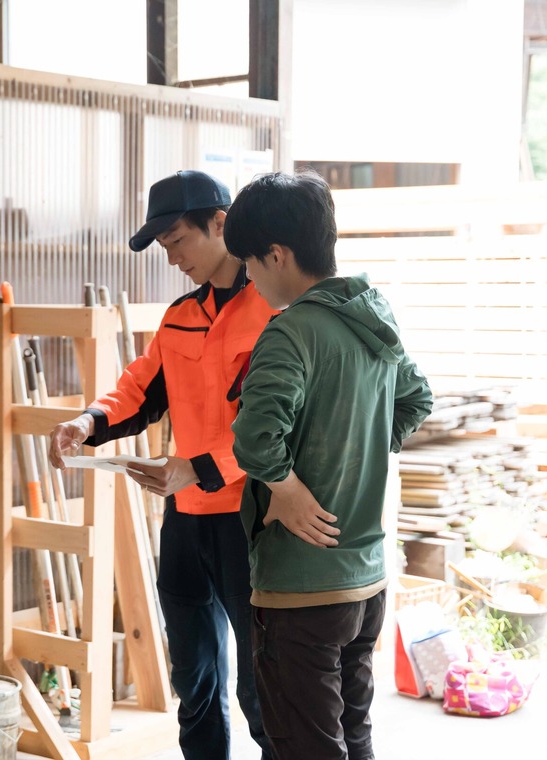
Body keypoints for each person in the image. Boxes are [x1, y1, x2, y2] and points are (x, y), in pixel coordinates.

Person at [48, 171, 277, 760]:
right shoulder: (180, 317)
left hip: (250, 522)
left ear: (220, 223)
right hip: (185, 522)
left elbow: (276, 431)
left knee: (262, 689)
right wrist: (88, 422)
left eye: (178, 241)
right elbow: (139, 391)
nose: (172, 258)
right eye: (164, 247)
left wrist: (196, 467)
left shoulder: (275, 311)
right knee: (194, 682)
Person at [224, 171, 433, 760]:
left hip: (301, 586)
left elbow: (256, 437)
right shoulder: (371, 317)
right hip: (366, 581)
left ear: (278, 254)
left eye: (250, 262)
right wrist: (358, 447)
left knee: (306, 748)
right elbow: (418, 398)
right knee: (353, 736)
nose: (249, 277)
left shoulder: (290, 332)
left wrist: (285, 487)